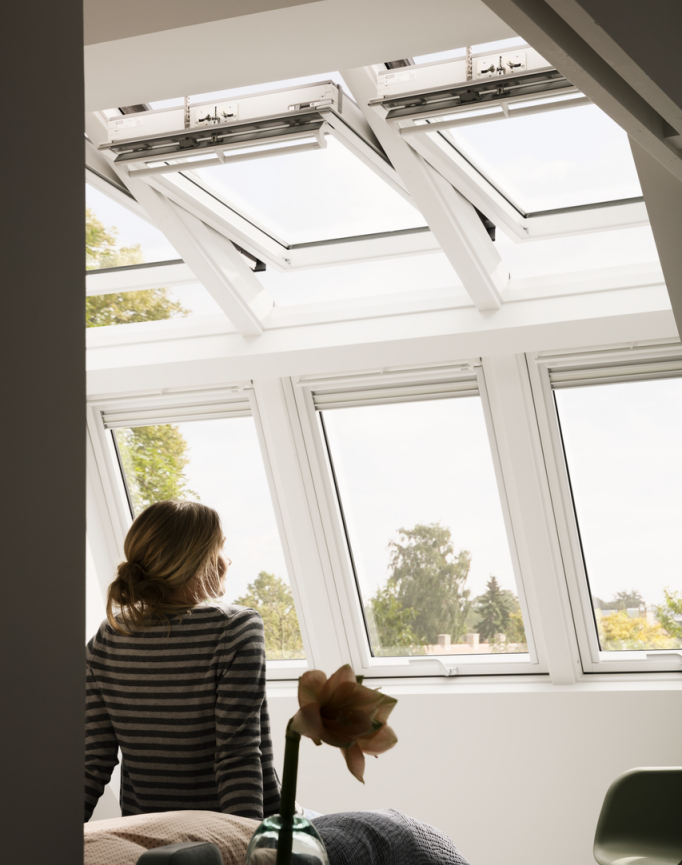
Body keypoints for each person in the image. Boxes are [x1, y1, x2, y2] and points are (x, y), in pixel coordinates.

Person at [84, 500, 281, 822]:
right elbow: (237, 757)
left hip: (149, 835)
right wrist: (249, 846)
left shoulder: (108, 636)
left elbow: (91, 762)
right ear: (199, 559)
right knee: (384, 824)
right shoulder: (236, 628)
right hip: (232, 832)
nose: (227, 560)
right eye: (221, 548)